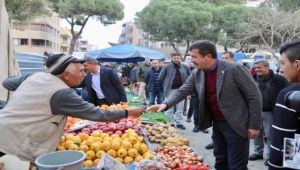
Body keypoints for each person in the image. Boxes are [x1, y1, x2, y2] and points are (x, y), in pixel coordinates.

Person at [0, 54, 144, 163]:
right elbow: (97, 114)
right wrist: (127, 112)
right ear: (67, 75)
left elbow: (7, 83)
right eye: (81, 70)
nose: (84, 74)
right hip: (14, 138)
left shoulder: (36, 77)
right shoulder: (63, 93)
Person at [148, 40, 262, 170]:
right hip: (218, 124)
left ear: (207, 56)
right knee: (220, 159)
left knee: (237, 164)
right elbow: (182, 91)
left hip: (237, 124)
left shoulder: (234, 69)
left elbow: (254, 97)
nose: (192, 61)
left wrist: (254, 125)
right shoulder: (198, 73)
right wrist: (165, 104)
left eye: (194, 57)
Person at [249, 59, 288, 166]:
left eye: (259, 67)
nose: (257, 70)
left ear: (267, 67)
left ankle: (271, 155)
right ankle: (258, 153)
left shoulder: (279, 79)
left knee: (270, 135)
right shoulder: (253, 78)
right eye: (255, 68)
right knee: (257, 133)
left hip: (271, 112)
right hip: (255, 111)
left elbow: (285, 93)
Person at [269, 39, 300, 170]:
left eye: (283, 63)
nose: (281, 69)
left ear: (297, 64)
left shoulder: (289, 95)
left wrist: (274, 166)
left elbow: (284, 140)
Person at [205, 50, 237, 149]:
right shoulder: (216, 70)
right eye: (222, 58)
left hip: (233, 117)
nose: (223, 60)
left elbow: (253, 96)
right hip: (217, 115)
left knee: (232, 148)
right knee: (219, 148)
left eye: (226, 58)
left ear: (232, 58)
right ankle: (214, 142)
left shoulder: (237, 69)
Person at [159, 52, 190, 130]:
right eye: (174, 58)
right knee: (169, 107)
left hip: (181, 91)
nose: (176, 59)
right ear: (171, 58)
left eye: (178, 58)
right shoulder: (167, 67)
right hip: (170, 90)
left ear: (180, 58)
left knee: (180, 108)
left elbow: (190, 79)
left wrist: (188, 92)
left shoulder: (185, 67)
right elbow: (160, 78)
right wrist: (166, 85)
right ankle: (169, 122)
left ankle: (178, 122)